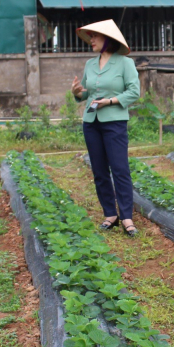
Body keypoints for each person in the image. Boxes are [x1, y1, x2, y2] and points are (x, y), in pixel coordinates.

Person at [71, 19, 141, 236]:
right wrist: (76, 92)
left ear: (107, 39)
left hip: (115, 122)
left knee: (120, 169)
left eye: (95, 36)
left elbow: (134, 92)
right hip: (91, 123)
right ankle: (110, 214)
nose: (91, 40)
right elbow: (86, 93)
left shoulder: (124, 63)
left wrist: (110, 101)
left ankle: (127, 217)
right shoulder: (90, 64)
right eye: (90, 36)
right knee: (99, 170)